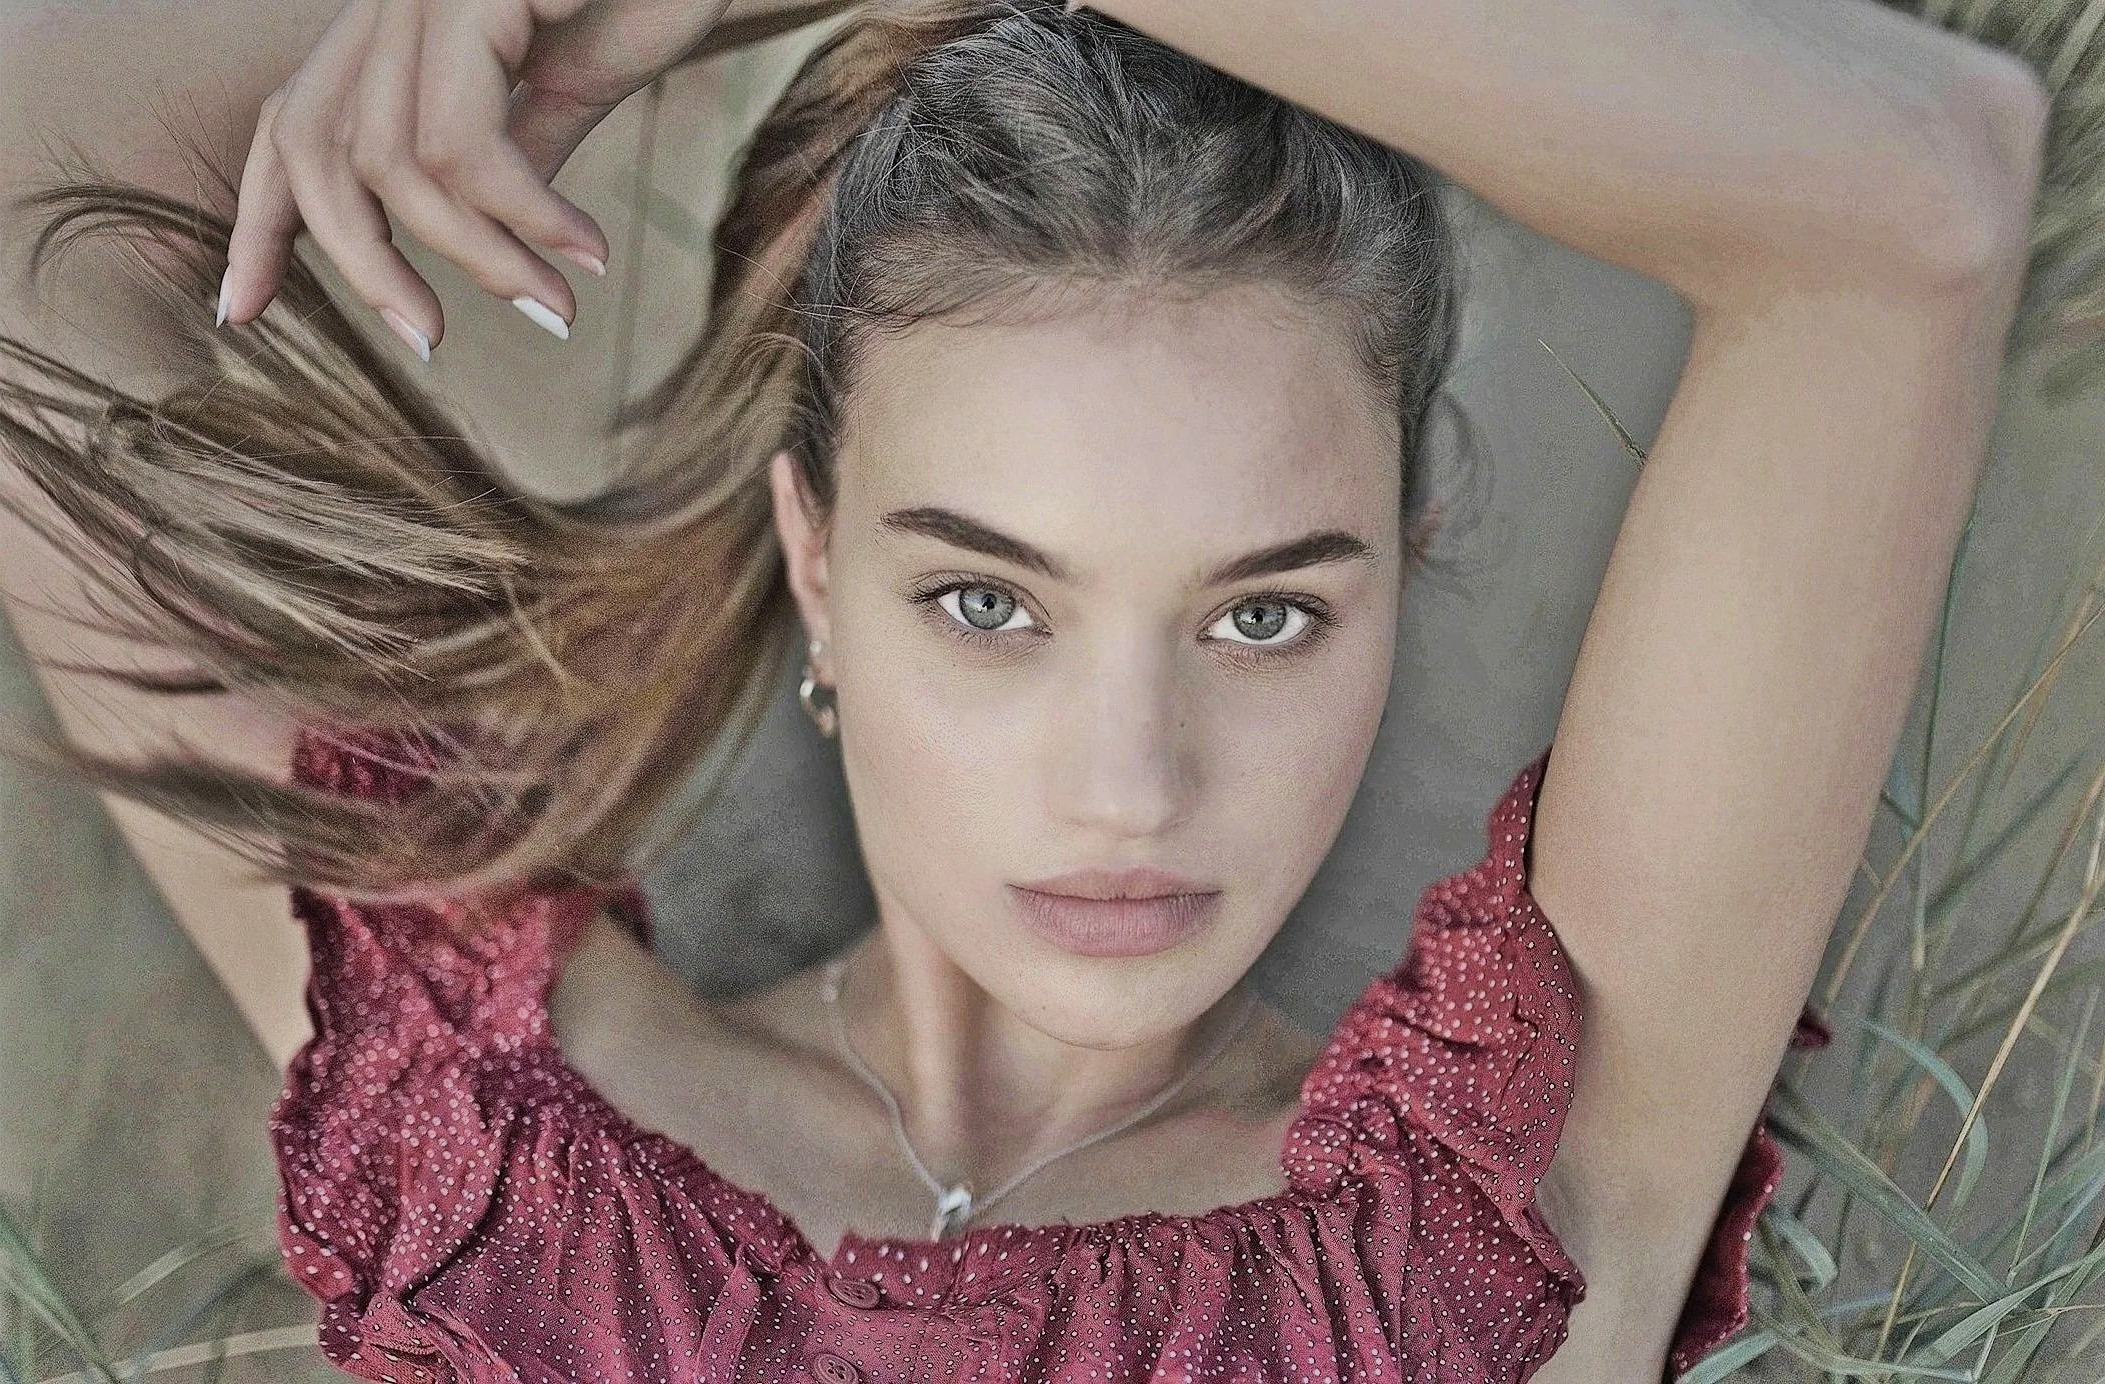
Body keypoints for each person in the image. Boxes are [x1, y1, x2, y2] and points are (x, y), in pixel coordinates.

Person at [0, 0, 2053, 1380]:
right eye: (988, 601)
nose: (1126, 783)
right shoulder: (474, 1127)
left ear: (1404, 556)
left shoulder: (1493, 1219)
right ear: (818, 557)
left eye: (1260, 614)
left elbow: (1921, 187)